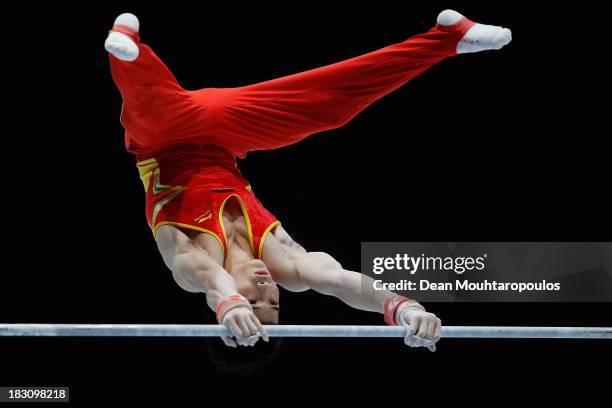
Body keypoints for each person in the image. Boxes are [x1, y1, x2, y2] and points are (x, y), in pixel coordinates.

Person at [105, 9, 511, 349]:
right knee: (328, 107)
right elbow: (337, 280)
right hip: (226, 134)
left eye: (254, 300)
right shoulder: (283, 261)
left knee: (152, 110)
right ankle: (447, 37)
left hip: (160, 142)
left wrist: (229, 302)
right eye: (274, 304)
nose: (267, 292)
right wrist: (403, 307)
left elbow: (212, 280)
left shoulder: (196, 258)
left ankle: (129, 46)